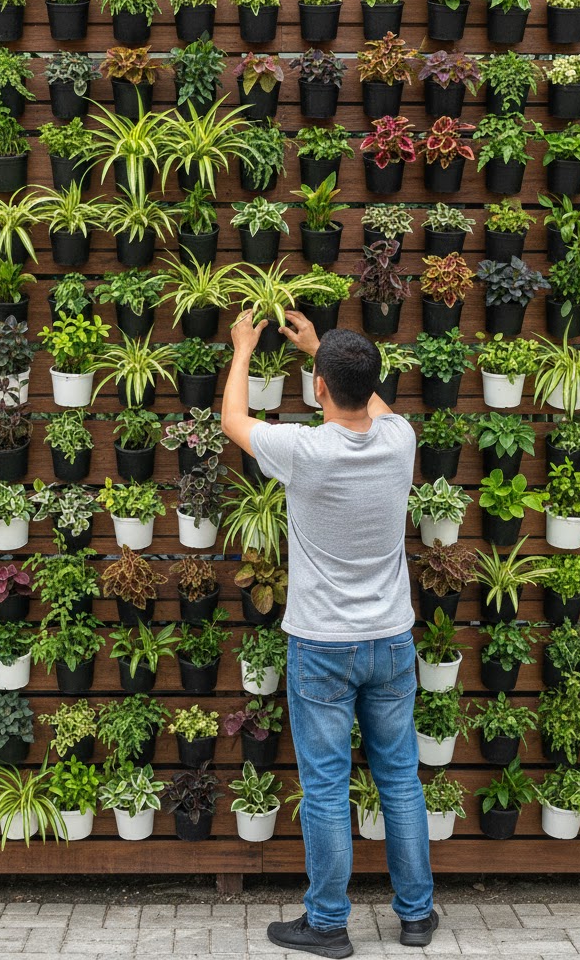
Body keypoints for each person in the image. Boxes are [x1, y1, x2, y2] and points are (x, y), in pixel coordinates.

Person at [220, 309, 436, 959]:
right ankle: (417, 916)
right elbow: (373, 403)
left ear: (317, 388)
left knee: (325, 786)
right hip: (392, 640)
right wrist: (322, 350)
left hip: (322, 645)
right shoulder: (402, 439)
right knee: (400, 778)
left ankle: (328, 924)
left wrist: (243, 348)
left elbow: (233, 422)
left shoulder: (305, 450)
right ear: (371, 381)